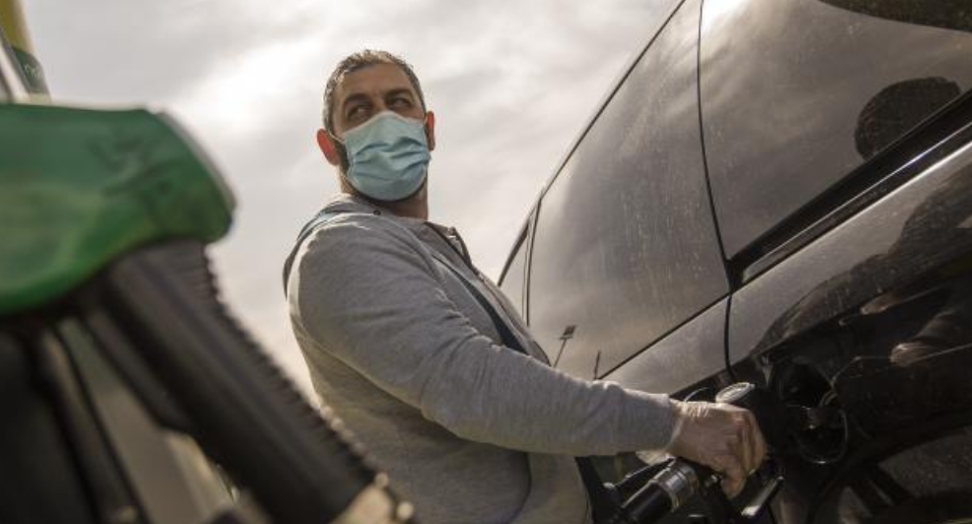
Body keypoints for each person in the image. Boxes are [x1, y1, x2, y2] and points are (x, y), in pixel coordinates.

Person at [284, 50, 765, 524]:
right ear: (332, 147)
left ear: (428, 130)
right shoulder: (340, 248)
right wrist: (673, 424)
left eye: (398, 102)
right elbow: (473, 385)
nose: (384, 120)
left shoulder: (434, 253)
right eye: (360, 110)